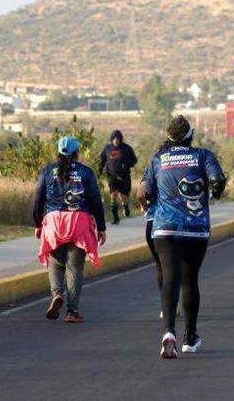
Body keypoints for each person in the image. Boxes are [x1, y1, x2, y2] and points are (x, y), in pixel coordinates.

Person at [142, 116, 225, 358]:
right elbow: (217, 180)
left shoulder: (158, 158)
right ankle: (190, 336)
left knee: (170, 279)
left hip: (165, 228)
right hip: (195, 228)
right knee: (190, 280)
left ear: (169, 136)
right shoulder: (203, 156)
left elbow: (146, 191)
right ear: (190, 136)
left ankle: (168, 332)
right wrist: (215, 193)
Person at [33, 136, 107, 323]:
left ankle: (57, 294)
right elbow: (95, 200)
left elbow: (38, 199)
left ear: (58, 153)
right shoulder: (86, 172)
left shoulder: (47, 171)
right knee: (74, 268)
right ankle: (72, 312)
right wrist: (101, 226)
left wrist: (38, 223)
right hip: (78, 221)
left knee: (56, 263)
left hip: (53, 221)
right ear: (77, 153)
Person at [98, 130, 138, 225]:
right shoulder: (107, 149)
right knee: (113, 195)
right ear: (112, 139)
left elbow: (134, 160)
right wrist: (100, 170)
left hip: (124, 176)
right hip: (112, 177)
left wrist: (128, 164)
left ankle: (125, 206)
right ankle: (115, 218)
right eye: (114, 139)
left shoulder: (127, 148)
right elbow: (102, 160)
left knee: (124, 196)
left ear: (120, 139)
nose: (116, 141)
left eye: (118, 139)